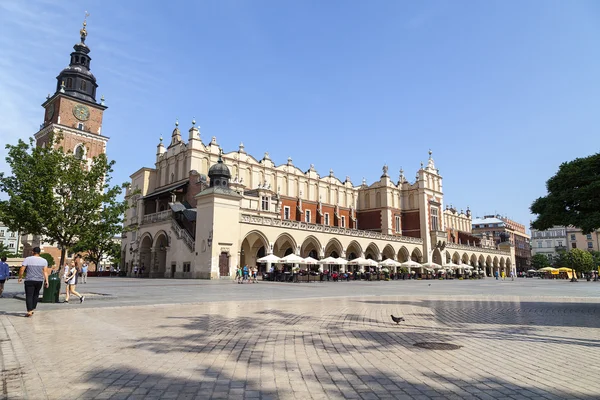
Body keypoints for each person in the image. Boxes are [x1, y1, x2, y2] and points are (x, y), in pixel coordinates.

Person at [18, 247, 49, 317]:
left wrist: (20, 277)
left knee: (29, 295)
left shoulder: (28, 259)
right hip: (39, 280)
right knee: (36, 294)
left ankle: (29, 310)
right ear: (39, 252)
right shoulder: (44, 261)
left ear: (33, 252)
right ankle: (33, 308)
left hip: (29, 280)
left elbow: (22, 269)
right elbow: (45, 271)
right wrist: (47, 281)